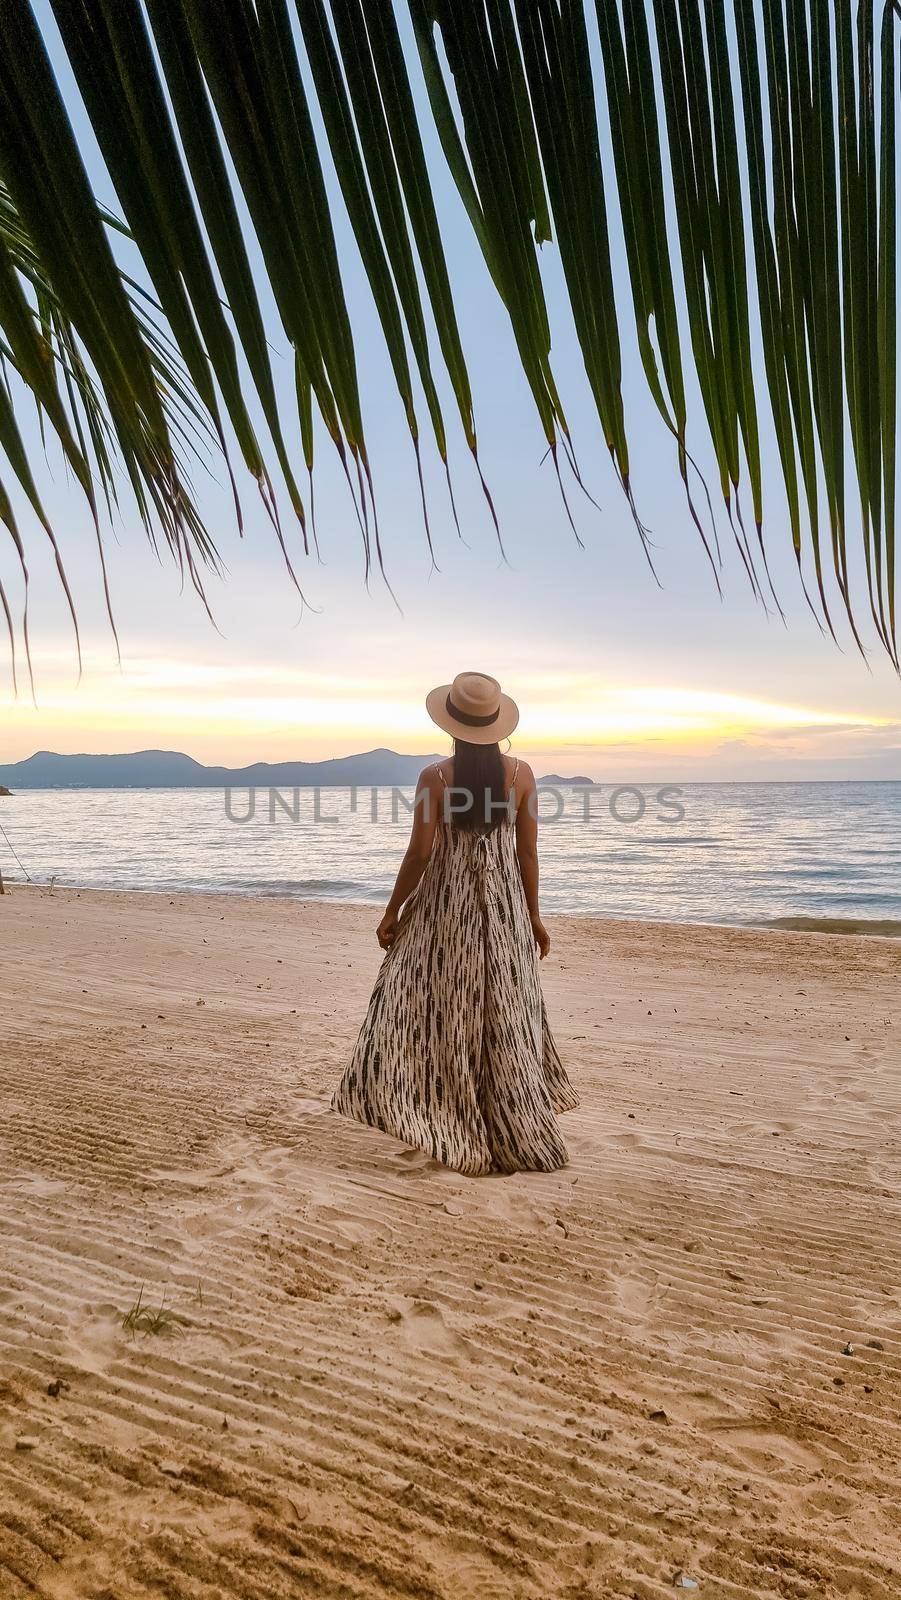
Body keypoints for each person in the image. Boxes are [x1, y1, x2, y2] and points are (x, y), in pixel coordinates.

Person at [332, 671, 578, 1175]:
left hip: (448, 905)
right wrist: (533, 917)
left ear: (452, 725)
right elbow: (526, 853)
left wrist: (392, 910)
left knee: (438, 1003)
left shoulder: (436, 779)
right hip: (505, 906)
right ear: (496, 725)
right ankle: (511, 1125)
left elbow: (420, 852)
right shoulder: (522, 775)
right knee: (504, 1008)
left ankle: (446, 1118)